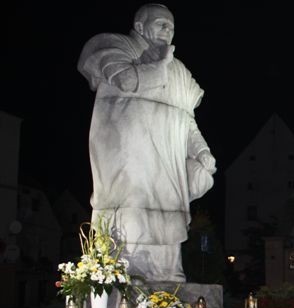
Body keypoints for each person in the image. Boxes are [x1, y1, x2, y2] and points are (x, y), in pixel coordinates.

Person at [78, 4, 217, 282]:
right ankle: (123, 273)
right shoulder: (117, 46)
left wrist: (201, 150)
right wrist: (161, 65)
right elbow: (127, 80)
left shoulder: (179, 70)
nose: (168, 31)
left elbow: (186, 119)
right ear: (140, 27)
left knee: (168, 212)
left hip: (168, 155)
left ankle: (168, 274)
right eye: (161, 24)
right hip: (129, 153)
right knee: (132, 206)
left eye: (172, 27)